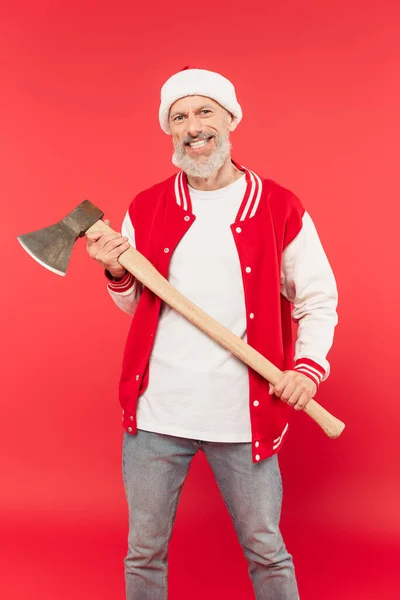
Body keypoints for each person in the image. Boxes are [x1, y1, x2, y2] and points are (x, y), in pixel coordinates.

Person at [86, 67, 338, 599]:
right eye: (179, 116)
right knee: (143, 552)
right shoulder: (147, 206)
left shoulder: (279, 206)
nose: (192, 126)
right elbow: (138, 306)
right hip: (157, 415)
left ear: (231, 119)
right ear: (168, 131)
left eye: (205, 111)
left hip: (242, 417)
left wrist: (307, 370)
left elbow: (318, 299)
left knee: (267, 550)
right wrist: (116, 272)